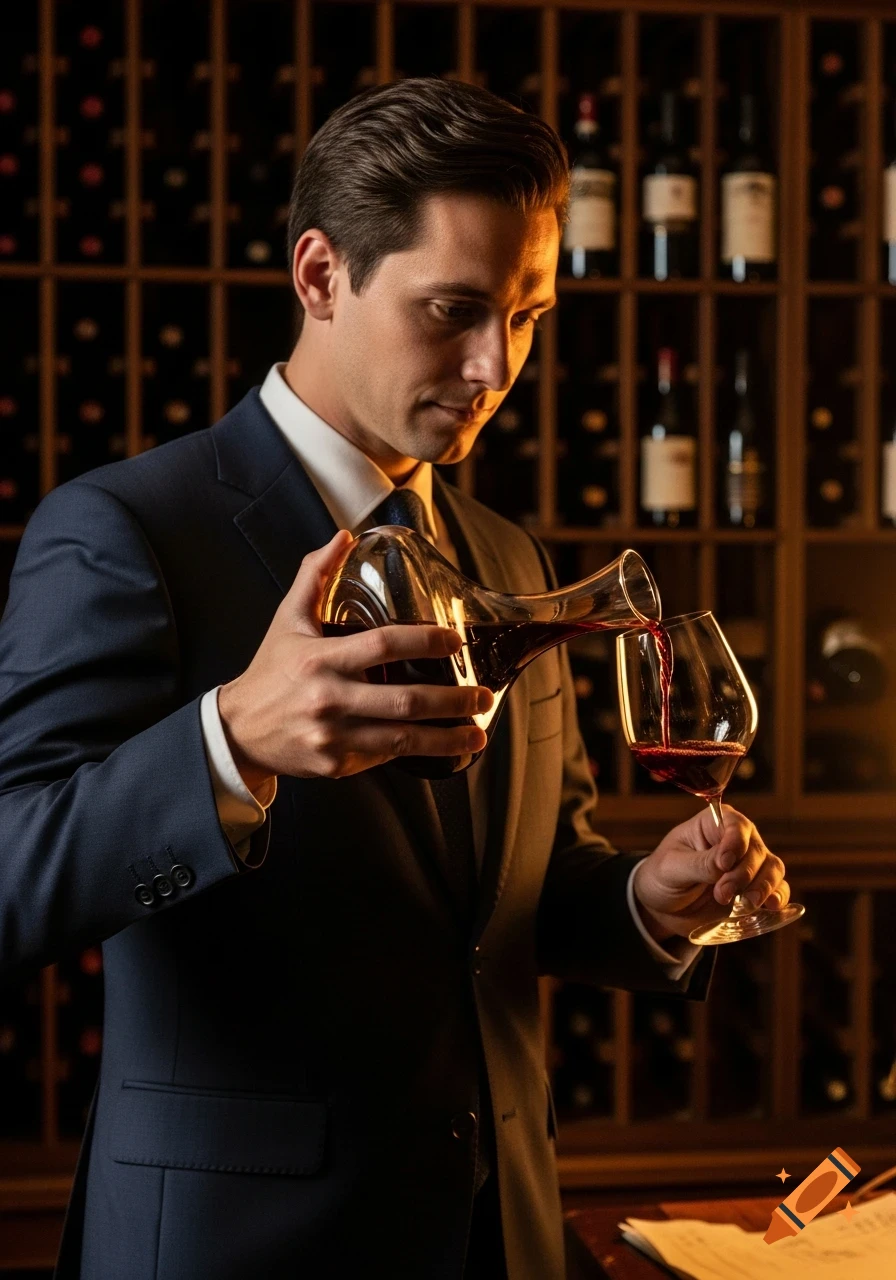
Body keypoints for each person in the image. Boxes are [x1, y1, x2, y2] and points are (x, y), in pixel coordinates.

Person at [0, 77, 791, 1280]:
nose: (494, 364)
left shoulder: (507, 553)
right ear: (320, 275)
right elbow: (11, 874)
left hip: (496, 1234)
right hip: (234, 1250)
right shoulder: (121, 528)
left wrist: (647, 898)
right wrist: (228, 742)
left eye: (527, 316)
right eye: (453, 310)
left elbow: (515, 890)